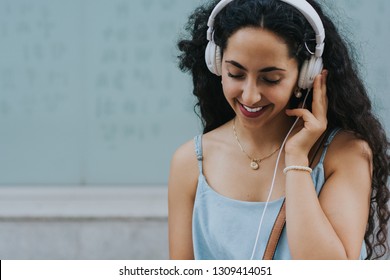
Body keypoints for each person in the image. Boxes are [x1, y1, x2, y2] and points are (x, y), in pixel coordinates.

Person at [168, 0, 389, 260]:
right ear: (216, 65)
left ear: (307, 74)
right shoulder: (190, 162)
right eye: (236, 74)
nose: (250, 96)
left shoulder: (345, 154)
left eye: (270, 79)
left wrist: (296, 160)